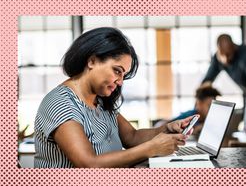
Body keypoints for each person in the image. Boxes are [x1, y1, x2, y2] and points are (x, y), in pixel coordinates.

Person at [34, 27, 196, 168]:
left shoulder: (100, 101)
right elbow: (89, 164)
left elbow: (132, 137)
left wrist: (166, 129)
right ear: (92, 61)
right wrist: (151, 148)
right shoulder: (60, 102)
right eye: (117, 71)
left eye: (124, 75)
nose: (120, 82)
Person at [202, 34, 246, 135]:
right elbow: (207, 81)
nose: (226, 60)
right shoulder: (218, 58)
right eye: (223, 55)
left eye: (228, 55)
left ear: (234, 47)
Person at [154, 84, 221, 136]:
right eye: (209, 106)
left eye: (214, 107)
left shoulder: (211, 118)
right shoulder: (189, 116)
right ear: (199, 104)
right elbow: (161, 125)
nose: (212, 110)